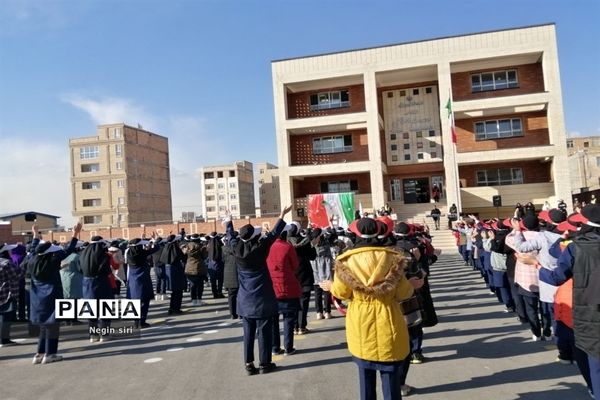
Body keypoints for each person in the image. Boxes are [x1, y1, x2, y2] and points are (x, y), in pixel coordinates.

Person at [321, 217, 419, 400]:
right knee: (390, 379)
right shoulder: (393, 258)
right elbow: (404, 293)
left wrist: (330, 286)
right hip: (388, 319)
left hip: (360, 322)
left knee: (365, 376)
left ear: (356, 234)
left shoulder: (346, 261)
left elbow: (341, 293)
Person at [536, 204, 600, 397]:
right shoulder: (575, 246)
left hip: (589, 313)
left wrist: (538, 267)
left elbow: (557, 277)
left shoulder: (576, 247)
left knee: (594, 364)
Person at [229, 205, 292, 376]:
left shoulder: (236, 248)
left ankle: (249, 364)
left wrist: (229, 221)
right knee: (264, 332)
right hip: (262, 296)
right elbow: (273, 234)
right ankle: (265, 363)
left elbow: (231, 236)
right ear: (254, 238)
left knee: (248, 334)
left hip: (245, 299)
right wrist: (281, 214)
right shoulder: (260, 248)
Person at [27, 222, 81, 364]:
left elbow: (34, 247)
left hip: (37, 299)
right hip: (52, 296)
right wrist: (75, 233)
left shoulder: (32, 258)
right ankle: (50, 354)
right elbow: (69, 249)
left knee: (43, 327)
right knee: (52, 326)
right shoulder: (52, 260)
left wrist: (35, 235)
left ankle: (39, 353)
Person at [267, 226, 301, 356]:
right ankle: (288, 347)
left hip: (272, 287)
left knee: (273, 320)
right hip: (288, 287)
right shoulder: (287, 247)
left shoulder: (267, 247)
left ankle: (275, 347)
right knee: (289, 318)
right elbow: (295, 265)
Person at [80, 234, 114, 342]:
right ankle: (104, 334)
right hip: (101, 282)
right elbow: (106, 269)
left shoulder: (83, 253)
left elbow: (80, 269)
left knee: (91, 310)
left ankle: (93, 335)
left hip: (87, 282)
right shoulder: (103, 254)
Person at [288, 224, 317, 335]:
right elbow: (312, 256)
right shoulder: (304, 241)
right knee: (304, 302)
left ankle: (295, 326)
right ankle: (302, 326)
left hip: (292, 274)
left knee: (294, 302)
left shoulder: (286, 243)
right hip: (304, 273)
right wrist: (312, 244)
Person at [126, 238, 160, 328]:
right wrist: (154, 241)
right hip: (143, 280)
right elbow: (156, 248)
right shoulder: (142, 253)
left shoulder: (128, 253)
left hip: (132, 281)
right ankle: (142, 321)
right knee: (144, 301)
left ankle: (136, 321)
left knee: (134, 302)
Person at [0, 244, 25, 347]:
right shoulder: (7, 263)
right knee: (6, 317)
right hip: (7, 293)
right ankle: (4, 339)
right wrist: (23, 270)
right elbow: (15, 276)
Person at [311, 228, 333, 320]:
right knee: (327, 290)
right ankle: (327, 312)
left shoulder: (311, 244)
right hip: (326, 268)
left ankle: (319, 312)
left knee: (317, 292)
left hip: (315, 268)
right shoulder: (327, 241)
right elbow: (332, 234)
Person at [161, 235, 186, 315]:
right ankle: (176, 308)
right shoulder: (175, 248)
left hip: (169, 270)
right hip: (176, 270)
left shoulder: (166, 247)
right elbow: (182, 257)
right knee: (178, 291)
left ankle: (171, 308)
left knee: (174, 291)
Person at [182, 234, 208, 306]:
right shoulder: (202, 247)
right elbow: (205, 256)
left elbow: (183, 256)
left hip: (189, 267)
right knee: (200, 285)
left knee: (192, 285)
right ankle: (199, 300)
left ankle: (193, 300)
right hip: (200, 267)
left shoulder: (186, 246)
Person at [222, 231, 240, 319]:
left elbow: (222, 261)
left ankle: (232, 313)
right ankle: (240, 313)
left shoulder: (224, 249)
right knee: (240, 295)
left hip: (228, 273)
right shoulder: (238, 249)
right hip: (239, 273)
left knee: (231, 295)